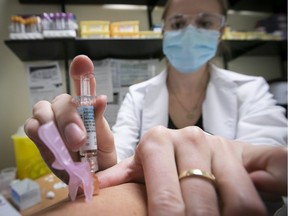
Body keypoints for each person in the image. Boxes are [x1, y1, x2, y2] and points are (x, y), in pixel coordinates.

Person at [24, 0, 287, 215]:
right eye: (178, 22)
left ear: (221, 33)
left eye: (205, 22)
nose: (190, 30)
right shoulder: (138, 95)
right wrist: (97, 167)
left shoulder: (251, 90)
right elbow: (117, 167)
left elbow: (267, 173)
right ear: (164, 31)